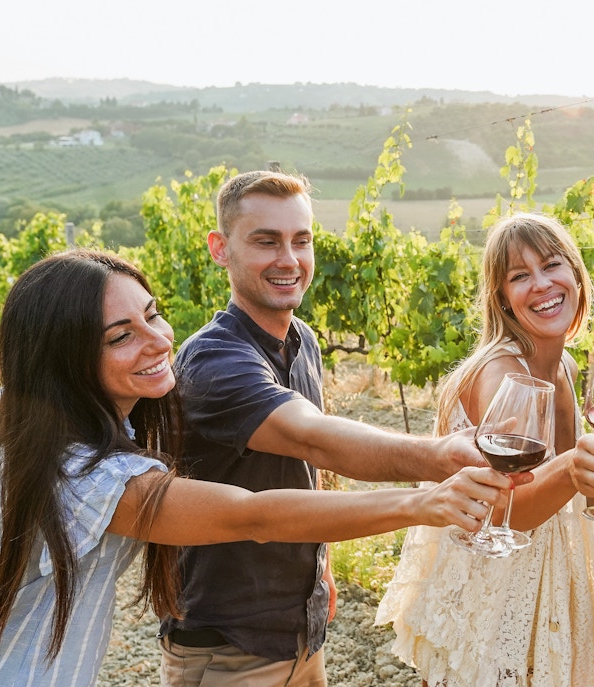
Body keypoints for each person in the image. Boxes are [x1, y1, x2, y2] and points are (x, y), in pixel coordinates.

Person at [0, 250, 517, 686]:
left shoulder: (35, 414)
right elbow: (250, 513)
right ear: (64, 360)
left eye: (152, 315)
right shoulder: (80, 473)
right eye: (119, 336)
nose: (157, 340)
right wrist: (422, 500)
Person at [158, 170, 491, 685]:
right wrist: (440, 455)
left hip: (300, 631)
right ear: (220, 250)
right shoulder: (214, 361)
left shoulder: (303, 340)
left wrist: (321, 569)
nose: (289, 260)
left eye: (301, 240)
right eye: (266, 241)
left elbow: (302, 471)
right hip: (229, 645)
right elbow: (312, 438)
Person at [375, 212, 594, 686]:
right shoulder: (502, 374)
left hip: (545, 581)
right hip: (491, 592)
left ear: (575, 273)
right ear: (503, 300)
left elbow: (588, 499)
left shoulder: (564, 365)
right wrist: (578, 464)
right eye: (520, 276)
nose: (542, 284)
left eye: (552, 265)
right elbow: (510, 512)